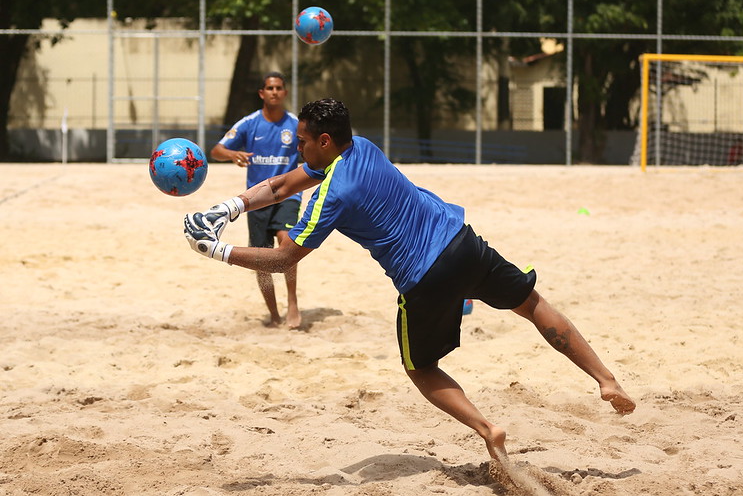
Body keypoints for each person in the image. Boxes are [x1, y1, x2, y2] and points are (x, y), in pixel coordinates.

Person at [184, 98, 636, 461]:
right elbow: (281, 187)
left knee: (420, 368)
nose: (297, 148)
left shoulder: (333, 195)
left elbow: (284, 258)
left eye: (302, 142)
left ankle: (487, 429)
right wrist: (228, 208)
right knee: (532, 305)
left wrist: (217, 250)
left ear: (324, 141)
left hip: (425, 278)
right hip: (462, 243)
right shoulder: (361, 146)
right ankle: (606, 379)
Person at [209, 72, 302, 328]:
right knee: (262, 258)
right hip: (257, 199)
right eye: (270, 88)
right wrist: (232, 154)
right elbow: (215, 150)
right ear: (262, 93)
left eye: (279, 88)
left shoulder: (295, 125)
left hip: (288, 195)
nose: (274, 92)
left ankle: (292, 304)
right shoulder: (249, 123)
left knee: (288, 243)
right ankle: (273, 315)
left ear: (285, 93)